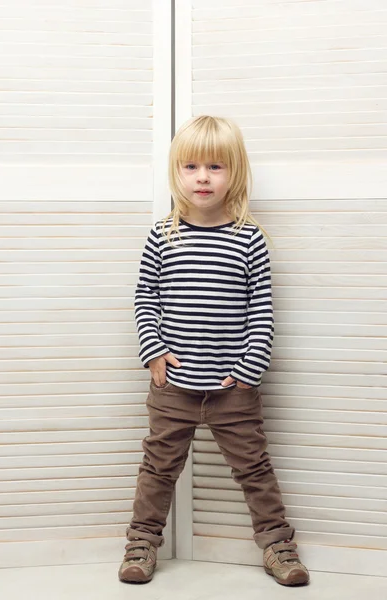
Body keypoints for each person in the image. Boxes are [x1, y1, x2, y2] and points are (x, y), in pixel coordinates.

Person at [118, 115, 310, 587]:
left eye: (216, 167)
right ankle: (141, 542)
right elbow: (146, 299)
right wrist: (154, 352)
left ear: (236, 172)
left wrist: (250, 367)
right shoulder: (163, 236)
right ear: (177, 173)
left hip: (233, 387)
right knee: (158, 467)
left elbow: (261, 309)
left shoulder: (249, 238)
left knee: (254, 468)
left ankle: (277, 544)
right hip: (173, 386)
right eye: (191, 166)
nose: (202, 177)